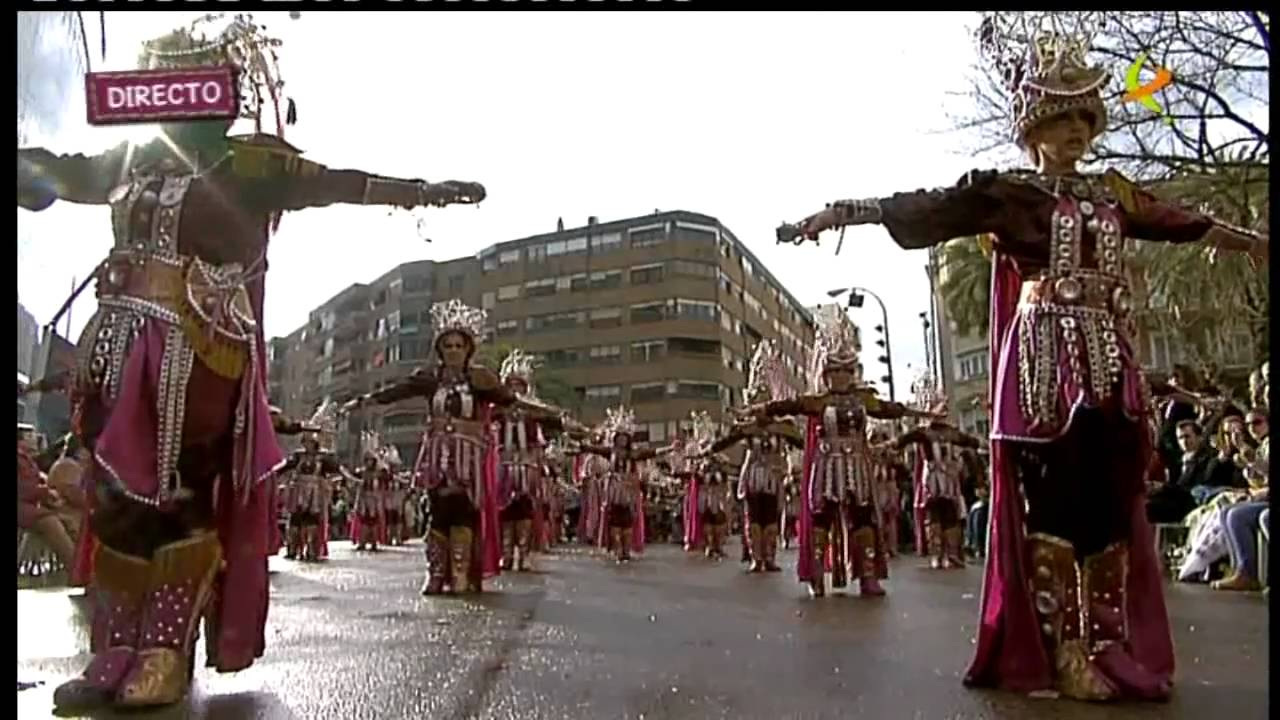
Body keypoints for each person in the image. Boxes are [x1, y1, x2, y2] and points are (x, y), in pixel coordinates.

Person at [777, 21, 1266, 701]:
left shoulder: (1113, 193)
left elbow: (1180, 219)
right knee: (1057, 510)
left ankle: (1108, 644)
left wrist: (1252, 241)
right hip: (1043, 370)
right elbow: (929, 206)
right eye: (1061, 119)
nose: (1075, 133)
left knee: (1110, 508)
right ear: (1033, 131)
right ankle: (1061, 650)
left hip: (1109, 368)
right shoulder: (1008, 193)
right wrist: (842, 212)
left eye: (1084, 119)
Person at [27, 17, 485, 712]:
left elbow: (335, 182)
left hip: (198, 354)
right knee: (116, 498)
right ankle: (112, 647)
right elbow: (58, 172)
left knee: (178, 494)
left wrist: (417, 189)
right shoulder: (132, 159)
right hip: (119, 350)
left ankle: (164, 652)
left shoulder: (248, 164)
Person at [345, 300, 546, 594]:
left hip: (469, 459)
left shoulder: (480, 379)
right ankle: (437, 572)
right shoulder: (430, 378)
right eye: (447, 345)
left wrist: (550, 414)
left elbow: (510, 400)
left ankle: (462, 573)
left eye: (458, 345)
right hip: (437, 455)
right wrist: (365, 401)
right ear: (440, 350)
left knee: (464, 511)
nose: (453, 350)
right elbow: (398, 391)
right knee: (438, 512)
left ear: (468, 349)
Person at [740, 306, 939, 598]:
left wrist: (920, 411)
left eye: (847, 370)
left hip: (857, 468)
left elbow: (889, 409)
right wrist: (759, 408)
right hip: (827, 467)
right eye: (836, 371)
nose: (842, 377)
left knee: (863, 520)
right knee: (822, 518)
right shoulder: (818, 401)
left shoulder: (863, 399)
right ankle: (817, 574)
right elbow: (789, 405)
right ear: (826, 374)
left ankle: (868, 576)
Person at [704, 342, 803, 572]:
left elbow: (800, 442)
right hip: (753, 479)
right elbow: (725, 442)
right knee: (754, 519)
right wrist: (708, 451)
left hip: (774, 480)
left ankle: (770, 558)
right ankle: (756, 558)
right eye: (757, 402)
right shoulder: (746, 428)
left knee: (771, 520)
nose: (760, 408)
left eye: (765, 402)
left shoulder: (782, 427)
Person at [893, 378, 982, 569]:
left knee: (950, 514)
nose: (941, 413)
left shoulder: (952, 433)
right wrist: (891, 445)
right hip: (933, 479)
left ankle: (952, 553)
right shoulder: (924, 432)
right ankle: (937, 553)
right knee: (934, 515)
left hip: (949, 480)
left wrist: (982, 442)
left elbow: (968, 441)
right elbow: (904, 439)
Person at [493, 349, 568, 572]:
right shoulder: (497, 410)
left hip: (527, 468)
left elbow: (553, 422)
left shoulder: (533, 412)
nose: (515, 390)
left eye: (519, 385)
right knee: (504, 510)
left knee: (525, 509)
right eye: (511, 385)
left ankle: (524, 553)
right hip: (503, 466)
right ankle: (506, 553)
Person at [574, 407, 668, 563]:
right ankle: (617, 549)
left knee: (628, 520)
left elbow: (651, 452)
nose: (622, 440)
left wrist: (669, 448)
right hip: (613, 490)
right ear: (615, 438)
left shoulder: (634, 453)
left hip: (629, 491)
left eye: (625, 438)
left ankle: (626, 550)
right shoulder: (610, 452)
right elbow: (593, 449)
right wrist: (580, 444)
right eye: (620, 437)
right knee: (614, 519)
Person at [1211, 407, 1269, 592]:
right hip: (1261, 494)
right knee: (1226, 511)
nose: (1253, 428)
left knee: (1237, 516)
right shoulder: (1262, 446)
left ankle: (1248, 573)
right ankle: (1239, 568)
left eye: (1257, 423)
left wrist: (1247, 454)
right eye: (1249, 424)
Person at [276, 404, 341, 561]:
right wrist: (274, 474)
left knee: (311, 524)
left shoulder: (323, 458)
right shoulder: (298, 456)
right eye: (304, 442)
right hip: (298, 493)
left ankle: (311, 550)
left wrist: (330, 453)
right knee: (295, 523)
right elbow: (285, 467)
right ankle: (292, 549)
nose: (306, 444)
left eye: (309, 442)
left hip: (314, 495)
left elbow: (335, 468)